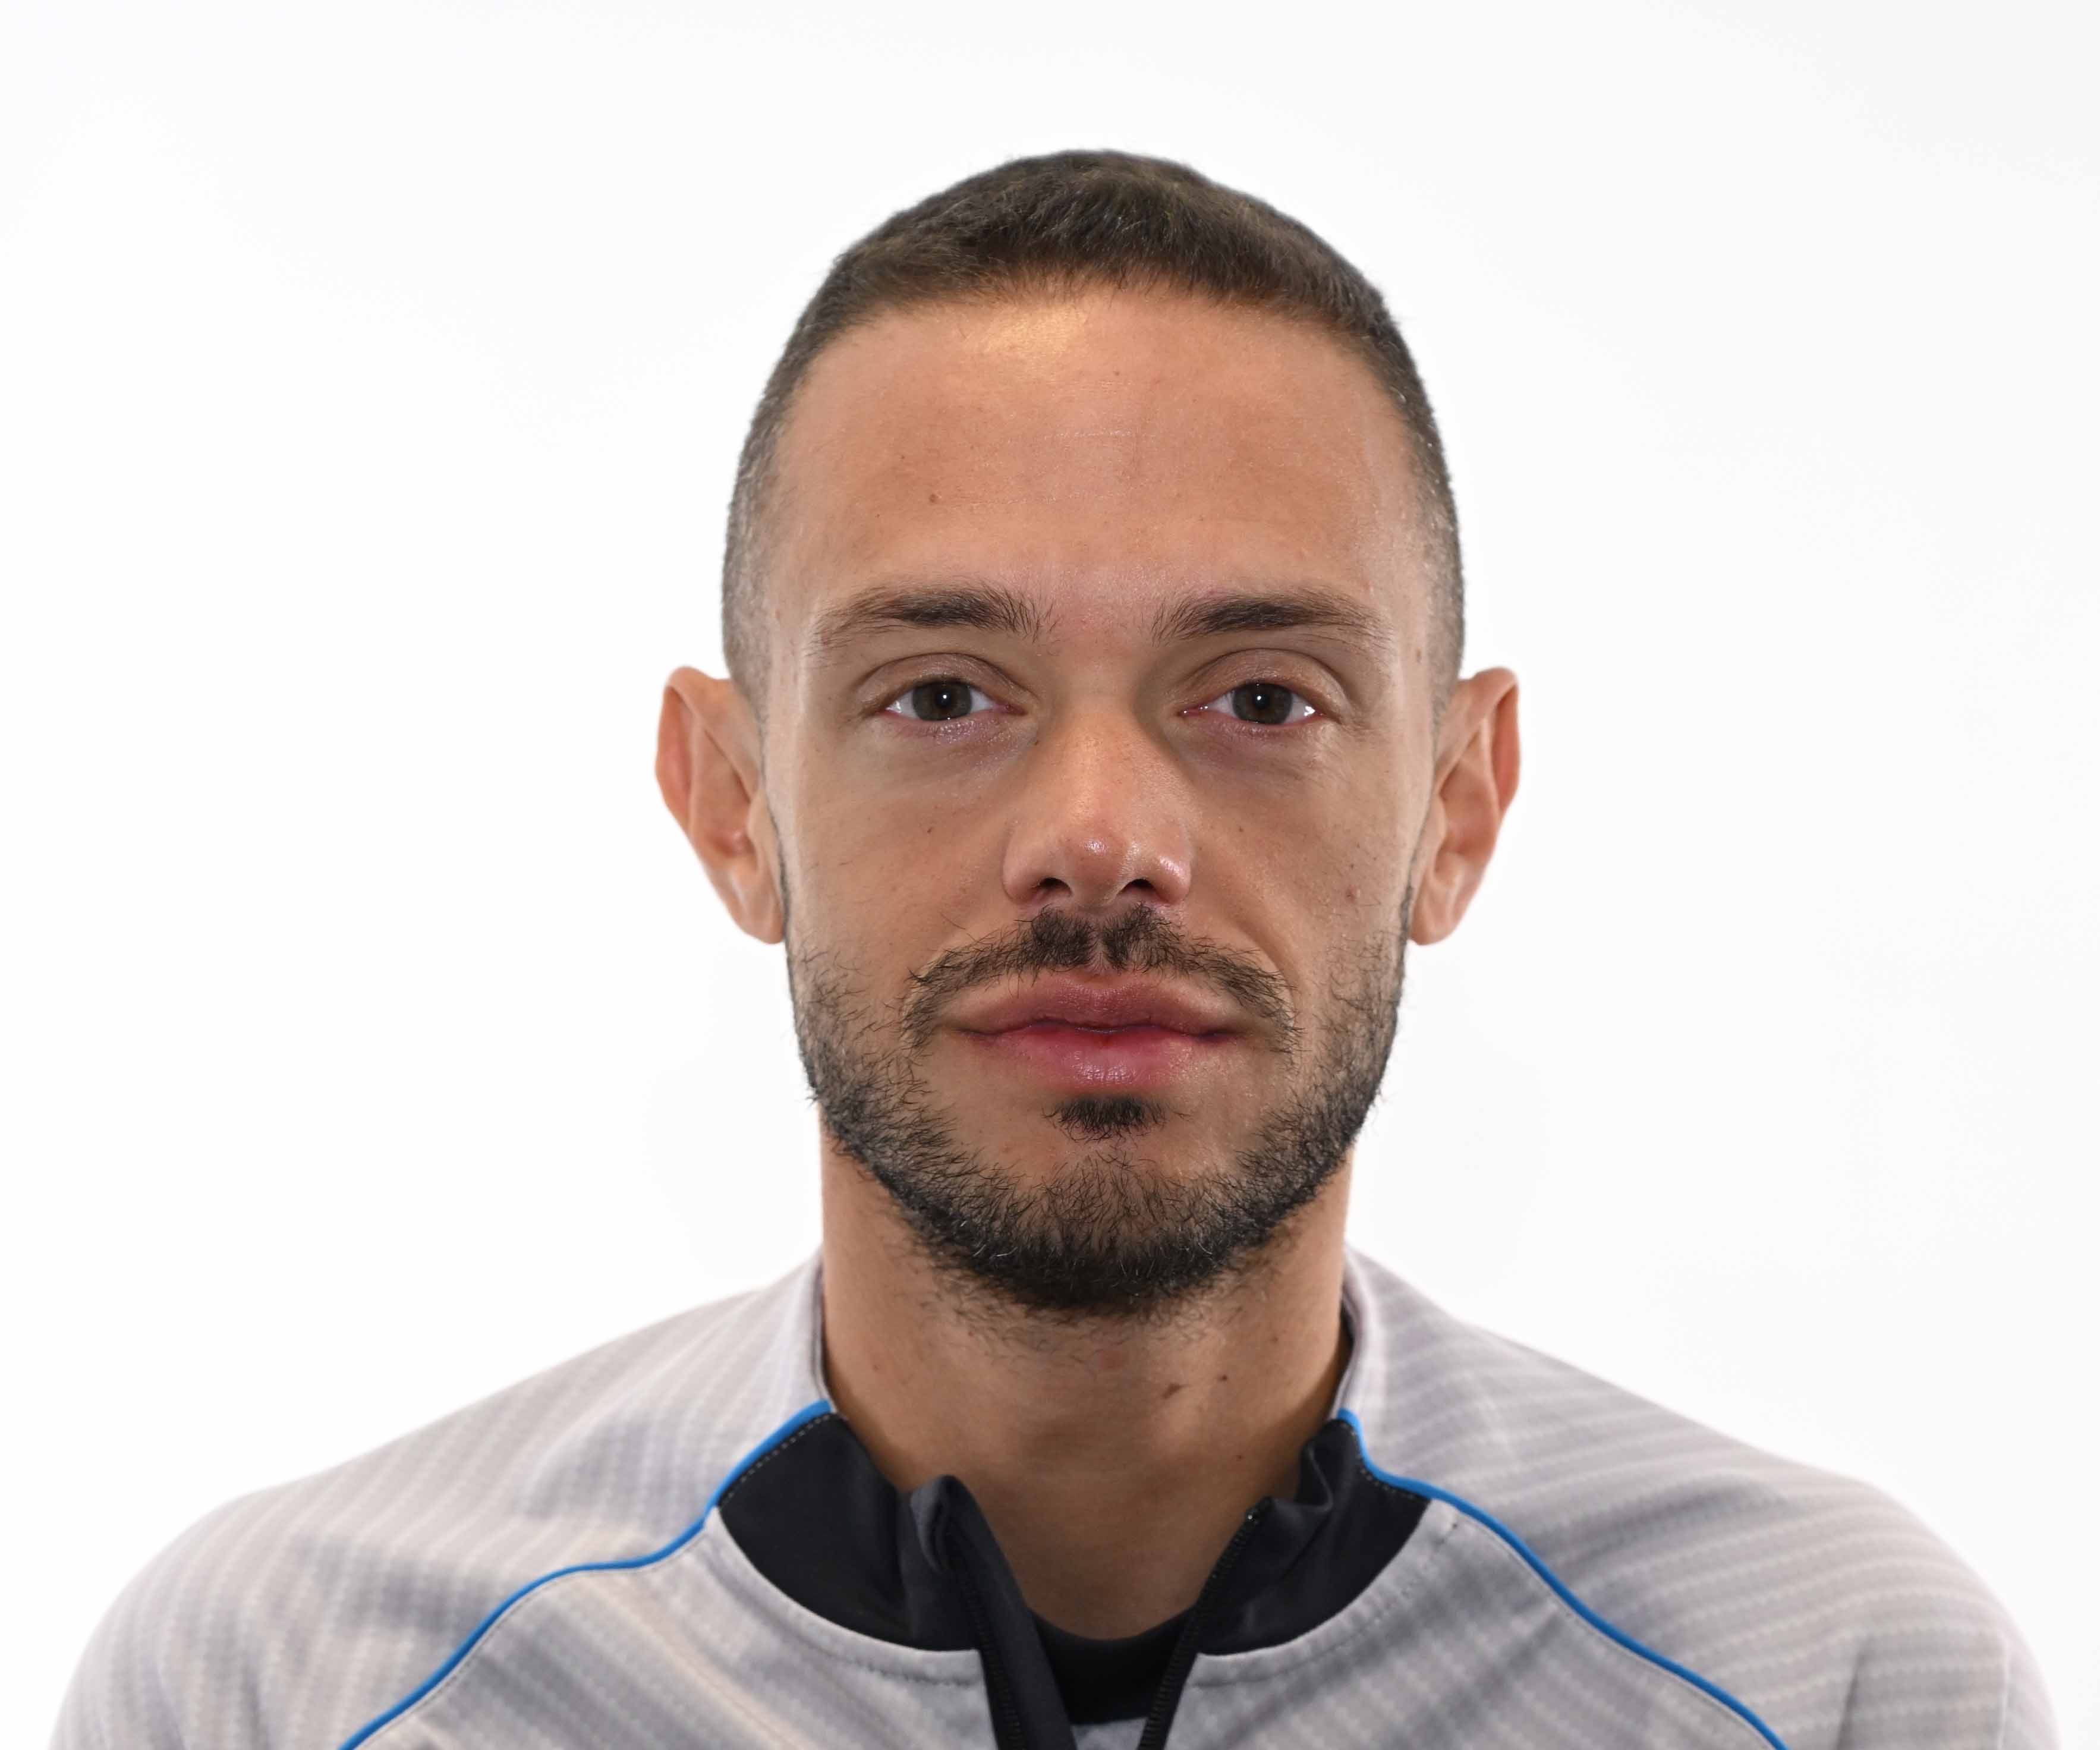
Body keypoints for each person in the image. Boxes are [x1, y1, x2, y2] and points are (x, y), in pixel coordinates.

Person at [51, 150, 2054, 1750]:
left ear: (1457, 806)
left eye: (1260, 698)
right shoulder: (282, 1688)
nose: (1103, 839)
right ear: (733, 804)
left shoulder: (1831, 1687)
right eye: (943, 694)